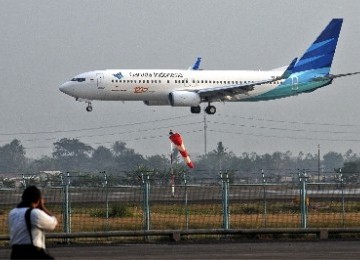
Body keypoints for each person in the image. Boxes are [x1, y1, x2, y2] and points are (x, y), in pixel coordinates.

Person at [8, 186, 58, 259]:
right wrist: (42, 207)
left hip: (15, 252)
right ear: (38, 200)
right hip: (32, 252)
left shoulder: (12, 213)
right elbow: (53, 223)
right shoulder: (34, 213)